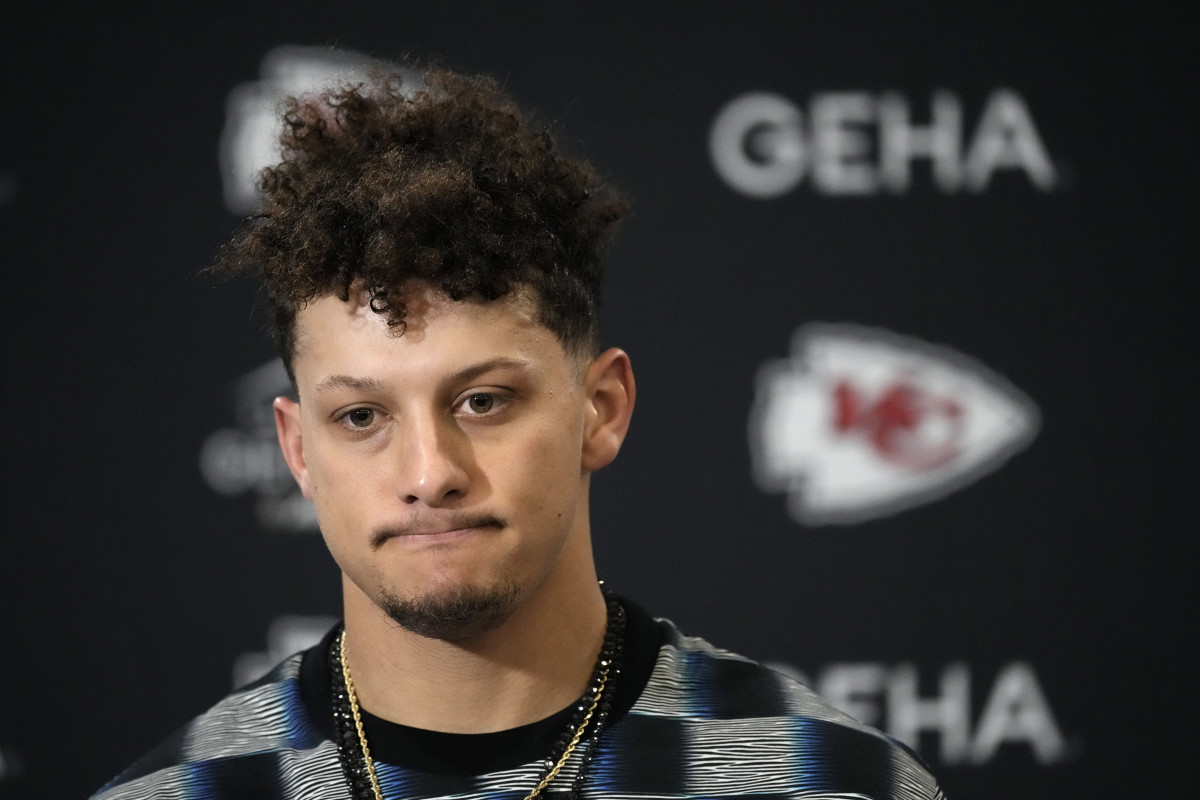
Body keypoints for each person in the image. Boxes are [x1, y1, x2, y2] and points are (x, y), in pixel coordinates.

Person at [93, 64, 945, 800]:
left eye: (483, 402)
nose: (430, 474)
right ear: (298, 450)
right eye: (362, 416)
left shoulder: (826, 780)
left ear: (601, 408)